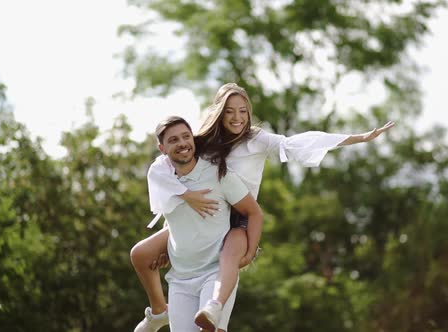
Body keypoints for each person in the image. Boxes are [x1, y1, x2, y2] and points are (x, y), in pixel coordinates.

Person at [132, 83, 395, 331]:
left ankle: (214, 306)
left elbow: (296, 144)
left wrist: (357, 138)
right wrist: (179, 215)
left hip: (238, 220)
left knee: (230, 256)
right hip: (206, 217)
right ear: (220, 114)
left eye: (243, 111)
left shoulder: (257, 139)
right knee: (142, 255)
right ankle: (158, 313)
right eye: (230, 112)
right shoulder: (201, 142)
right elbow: (169, 171)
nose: (238, 118)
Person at [132, 116, 263, 332]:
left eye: (186, 136)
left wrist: (249, 253)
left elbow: (254, 212)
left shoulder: (218, 173)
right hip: (180, 280)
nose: (182, 143)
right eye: (173, 140)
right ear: (162, 148)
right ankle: (158, 312)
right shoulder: (162, 179)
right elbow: (172, 219)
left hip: (215, 272)